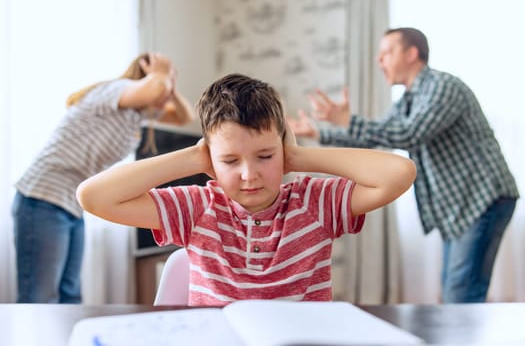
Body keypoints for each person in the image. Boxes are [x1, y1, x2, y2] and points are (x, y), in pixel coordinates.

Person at [76, 73, 416, 306]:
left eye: (265, 155)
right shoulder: (198, 208)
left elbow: (399, 172)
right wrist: (192, 158)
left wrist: (297, 156)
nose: (249, 174)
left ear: (282, 148)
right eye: (229, 160)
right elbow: (92, 197)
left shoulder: (315, 203)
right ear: (211, 158)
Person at [288, 27, 520, 303]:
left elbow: (408, 133)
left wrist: (346, 121)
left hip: (484, 199)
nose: (379, 60)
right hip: (463, 205)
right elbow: (380, 133)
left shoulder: (442, 86)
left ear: (411, 54)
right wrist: (319, 132)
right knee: (454, 290)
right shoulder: (410, 100)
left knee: (461, 293)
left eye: (386, 52)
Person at [12, 52, 194, 303]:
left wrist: (168, 82)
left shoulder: (136, 114)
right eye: (166, 82)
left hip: (71, 204)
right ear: (147, 77)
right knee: (40, 296)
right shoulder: (116, 91)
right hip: (42, 196)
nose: (167, 87)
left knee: (70, 294)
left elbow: (186, 117)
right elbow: (154, 90)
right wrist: (161, 73)